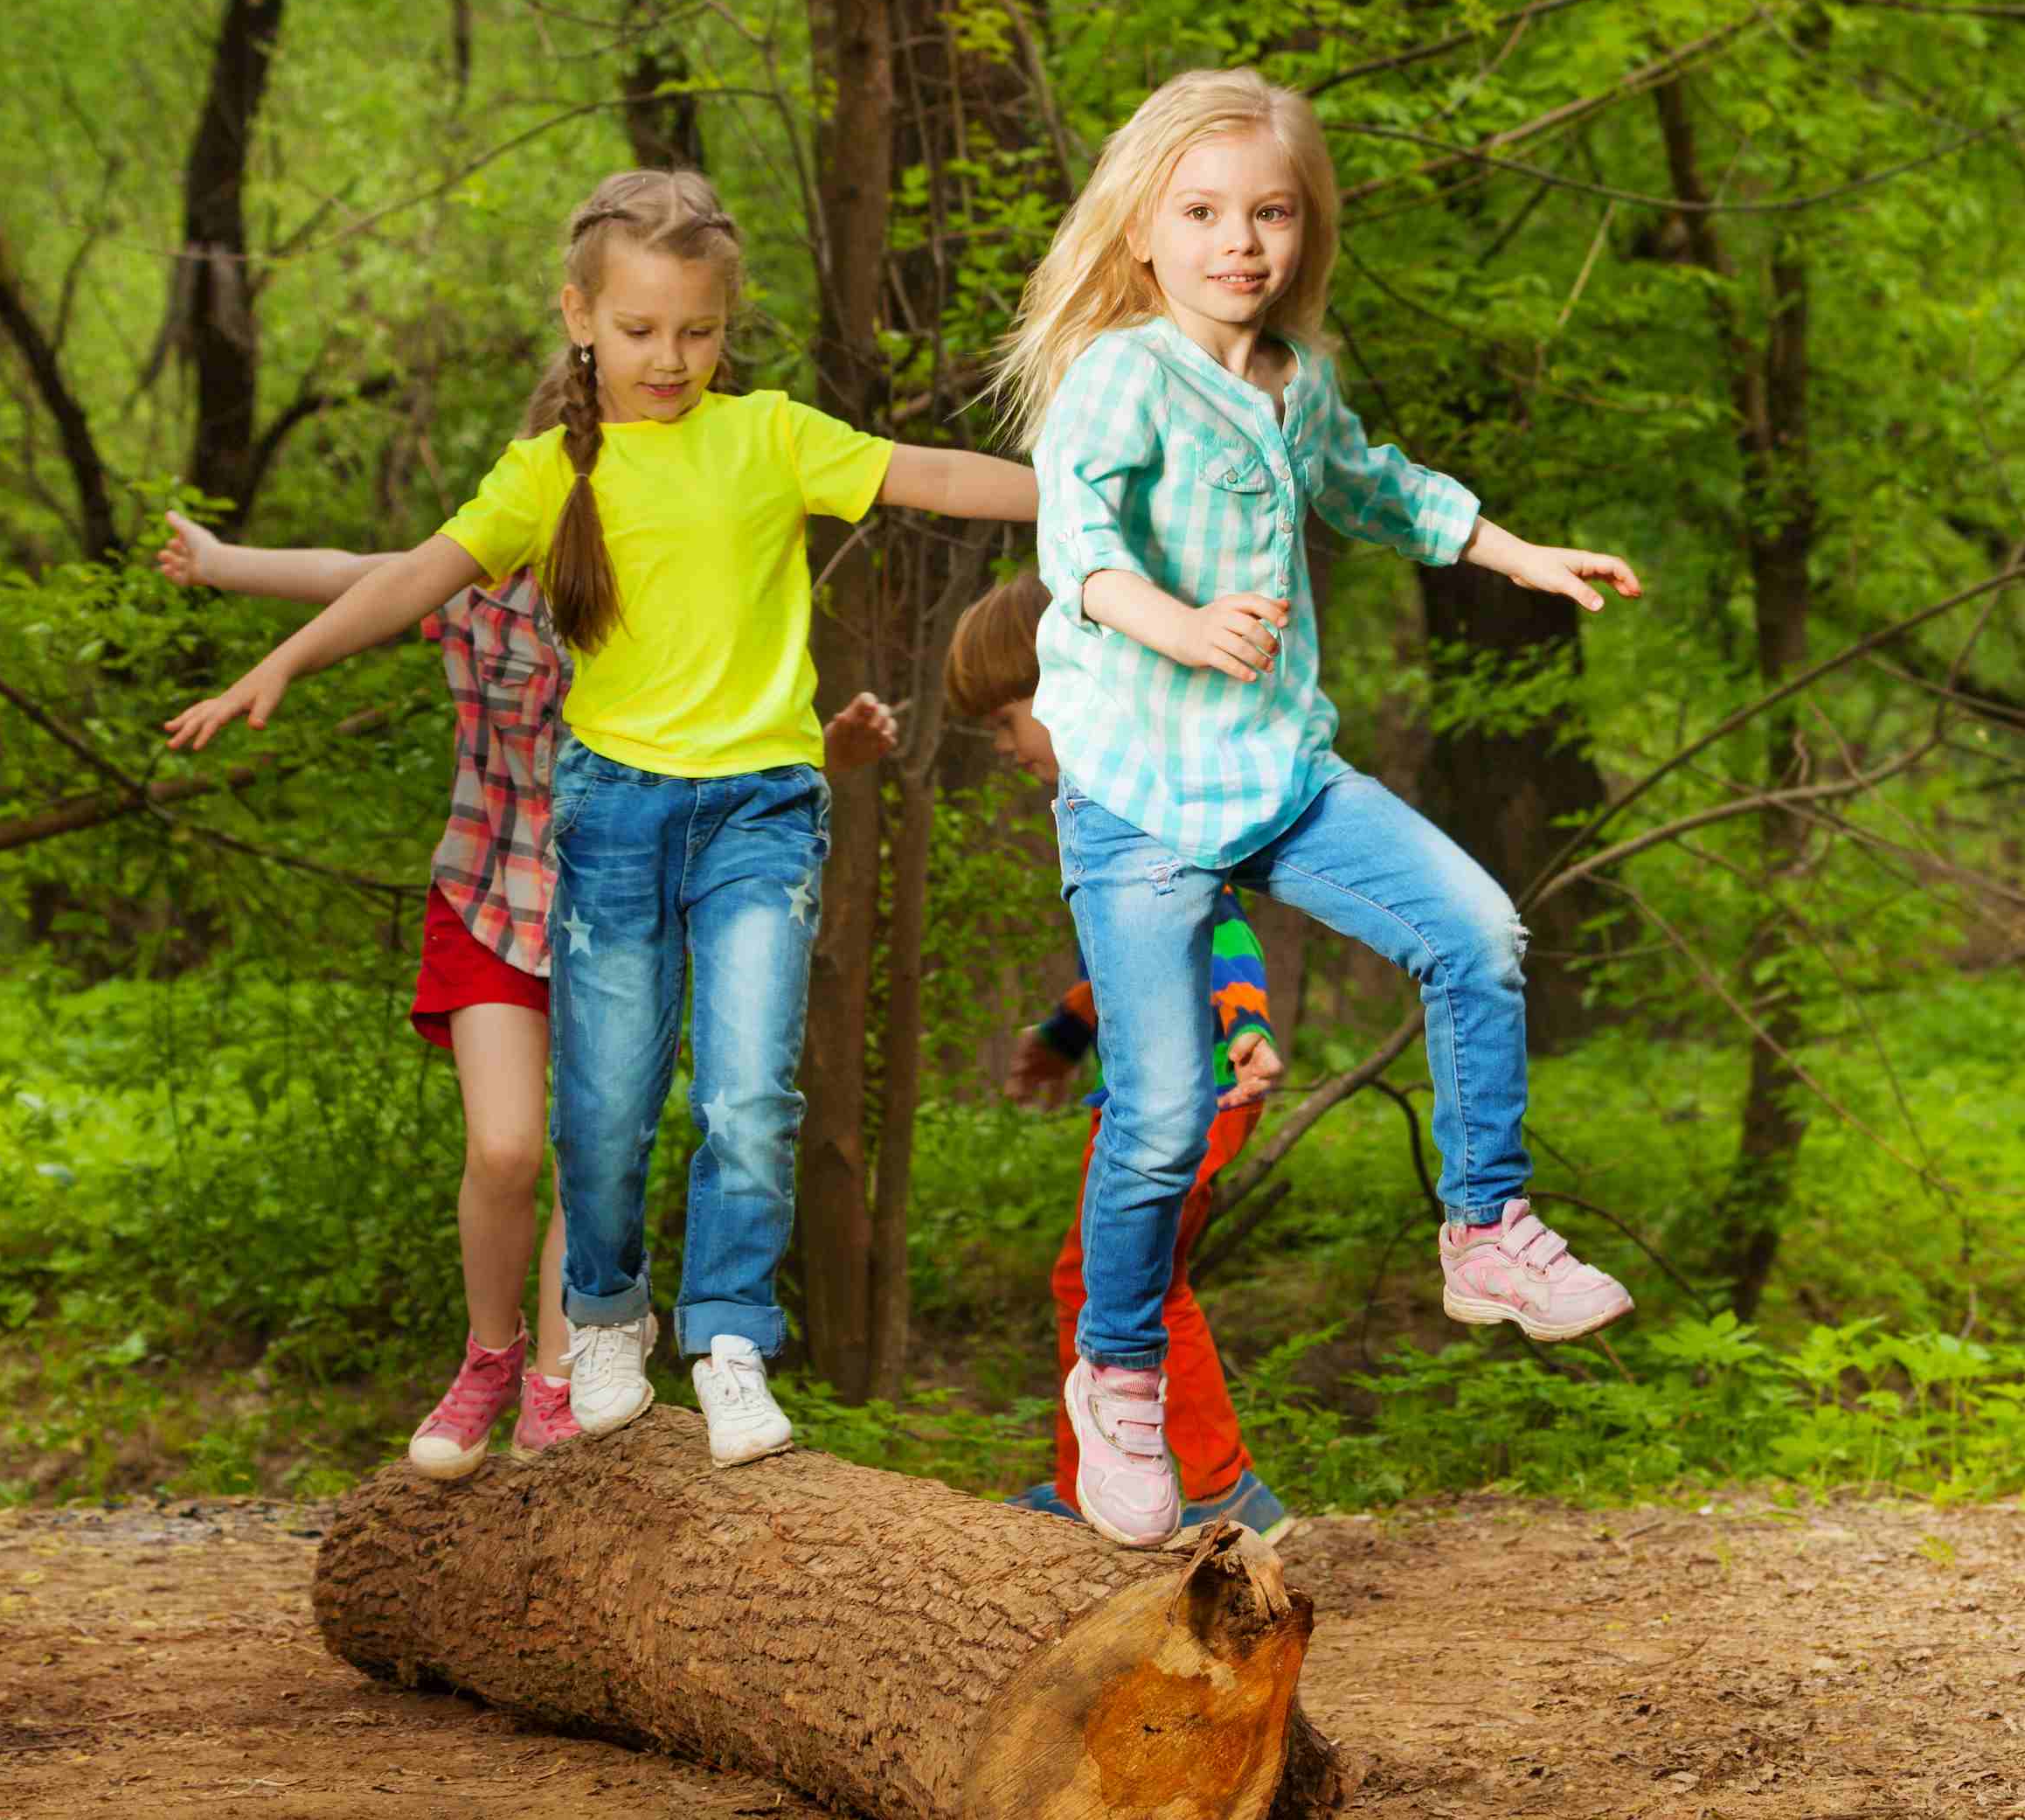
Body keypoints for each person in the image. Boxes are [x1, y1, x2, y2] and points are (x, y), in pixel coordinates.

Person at [164, 168, 1033, 1468]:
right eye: (637, 331)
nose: (669, 358)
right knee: (599, 1114)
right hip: (604, 822)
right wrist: (277, 656)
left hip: (755, 803)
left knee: (747, 1095)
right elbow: (398, 578)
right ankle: (574, 1328)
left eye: (695, 330)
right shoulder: (534, 487)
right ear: (581, 318)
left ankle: (725, 1334)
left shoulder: (771, 436)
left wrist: (1080, 490)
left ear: (724, 327)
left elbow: (932, 474)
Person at [994, 65, 1642, 1549]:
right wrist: (1177, 622)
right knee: (1157, 1117)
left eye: (1269, 213)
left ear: (1303, 229)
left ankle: (1482, 1227)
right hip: (1139, 797)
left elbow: (1372, 486)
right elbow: (1075, 546)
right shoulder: (1117, 374)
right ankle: (1118, 1379)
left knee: (1476, 930)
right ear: (1144, 230)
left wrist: (1512, 549)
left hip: (1276, 774)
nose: (1240, 241)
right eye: (1205, 212)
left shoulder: (1297, 378)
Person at [154, 503, 898, 1483]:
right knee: (503, 1148)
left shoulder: (674, 599)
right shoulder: (473, 578)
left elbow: (741, 754)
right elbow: (353, 570)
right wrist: (218, 562)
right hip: (487, 889)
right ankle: (488, 1356)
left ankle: (554, 1381)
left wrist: (830, 756)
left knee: (593, 1148)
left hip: (618, 906)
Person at [947, 570, 1295, 1540]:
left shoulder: (1146, 809)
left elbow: (1214, 924)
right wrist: (1063, 1038)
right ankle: (1172, 1483)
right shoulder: (1110, 811)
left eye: (1010, 718)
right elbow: (1131, 969)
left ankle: (1186, 1485)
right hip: (1174, 1086)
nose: (1006, 746)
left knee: (1110, 1283)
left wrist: (1244, 1026)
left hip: (1194, 1090)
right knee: (1120, 1281)